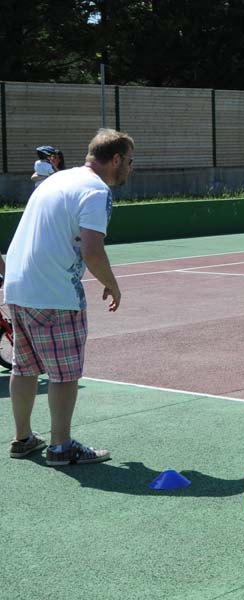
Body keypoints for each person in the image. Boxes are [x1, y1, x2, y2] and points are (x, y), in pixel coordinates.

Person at [6, 128, 132, 466]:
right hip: (54, 292)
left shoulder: (57, 179)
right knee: (64, 373)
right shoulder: (96, 190)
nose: (131, 168)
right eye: (130, 161)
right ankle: (61, 447)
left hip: (17, 287)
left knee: (24, 367)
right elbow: (92, 250)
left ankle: (22, 438)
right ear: (115, 159)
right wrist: (113, 284)